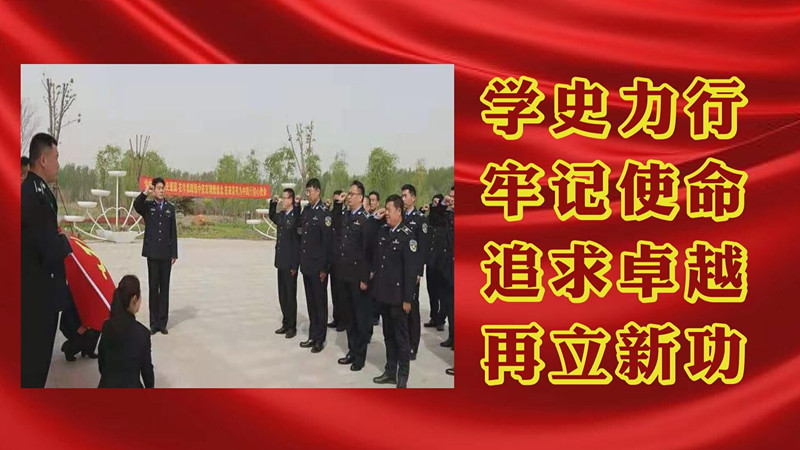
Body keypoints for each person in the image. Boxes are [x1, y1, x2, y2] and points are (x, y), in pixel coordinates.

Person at [21, 132, 73, 388]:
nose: (58, 164)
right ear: (43, 159)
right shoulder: (33, 195)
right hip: (36, 298)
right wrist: (66, 242)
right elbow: (48, 248)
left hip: (41, 294)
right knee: (34, 367)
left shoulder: (40, 191)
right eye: (56, 157)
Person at [372, 195, 418, 388]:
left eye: (389, 210)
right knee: (388, 336)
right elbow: (369, 237)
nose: (387, 214)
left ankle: (403, 376)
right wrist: (375, 218)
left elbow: (410, 271)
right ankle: (390, 371)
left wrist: (408, 299)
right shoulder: (383, 231)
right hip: (384, 294)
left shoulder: (407, 236)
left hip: (399, 298)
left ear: (399, 211)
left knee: (401, 339)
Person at [333, 181, 376, 371]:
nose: (349, 197)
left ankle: (360, 355)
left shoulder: (366, 220)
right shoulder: (345, 216)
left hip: (359, 277)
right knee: (348, 316)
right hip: (344, 274)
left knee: (360, 317)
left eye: (352, 194)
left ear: (360, 197)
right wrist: (338, 204)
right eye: (348, 194)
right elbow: (335, 225)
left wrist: (365, 278)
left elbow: (369, 253)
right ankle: (351, 350)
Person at [133, 177, 178, 335]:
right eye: (158, 188)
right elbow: (136, 205)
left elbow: (173, 232)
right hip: (152, 254)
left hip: (166, 254)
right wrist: (145, 192)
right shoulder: (148, 207)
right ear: (154, 190)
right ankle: (153, 323)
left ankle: (162, 323)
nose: (161, 190)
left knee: (164, 288)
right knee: (153, 288)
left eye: (162, 188)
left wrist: (174, 253)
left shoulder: (170, 209)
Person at [97, 275, 155, 388]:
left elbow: (102, 363)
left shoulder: (107, 326)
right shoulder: (142, 334)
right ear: (134, 299)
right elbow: (147, 372)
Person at [298, 178, 332, 353]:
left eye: (310, 191)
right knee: (311, 303)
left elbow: (327, 244)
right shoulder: (307, 211)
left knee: (320, 304)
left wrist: (325, 268)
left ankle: (320, 338)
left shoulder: (324, 214)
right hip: (307, 265)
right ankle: (312, 335)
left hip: (319, 268)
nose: (308, 194)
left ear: (318, 191)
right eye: (307, 191)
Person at [400, 184, 429, 360]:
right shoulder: (401, 216)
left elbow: (422, 248)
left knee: (412, 307)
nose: (403, 199)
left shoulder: (420, 220)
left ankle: (413, 345)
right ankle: (404, 341)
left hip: (412, 271)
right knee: (401, 307)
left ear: (413, 198)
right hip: (400, 270)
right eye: (402, 196)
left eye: (405, 196)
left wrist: (419, 272)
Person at [268, 188, 301, 339]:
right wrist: (273, 203)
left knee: (290, 296)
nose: (283, 200)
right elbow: (272, 216)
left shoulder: (295, 216)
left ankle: (292, 326)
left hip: (290, 263)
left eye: (285, 198)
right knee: (282, 294)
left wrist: (295, 265)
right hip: (281, 261)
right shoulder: (282, 215)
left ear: (291, 200)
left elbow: (297, 244)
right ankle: (285, 322)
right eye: (282, 198)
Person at [423, 193, 446, 332]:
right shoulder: (429, 221)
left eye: (437, 203)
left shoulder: (444, 221)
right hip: (431, 261)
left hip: (441, 263)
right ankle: (434, 316)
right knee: (431, 291)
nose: (434, 205)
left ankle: (441, 319)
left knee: (441, 292)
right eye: (433, 202)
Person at [327, 189, 348, 332]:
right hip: (333, 258)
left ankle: (344, 321)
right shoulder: (333, 214)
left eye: (338, 200)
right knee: (334, 290)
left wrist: (339, 205)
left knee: (342, 292)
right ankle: (337, 318)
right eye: (335, 200)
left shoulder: (346, 214)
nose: (336, 203)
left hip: (342, 258)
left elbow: (340, 225)